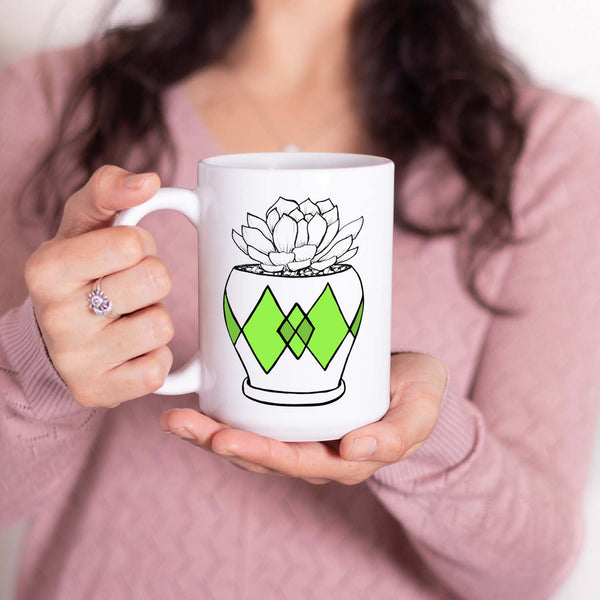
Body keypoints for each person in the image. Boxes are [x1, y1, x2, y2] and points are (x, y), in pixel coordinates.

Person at [1, 0, 599, 598]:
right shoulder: (45, 101)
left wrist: (421, 435)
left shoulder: (548, 152)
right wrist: (41, 369)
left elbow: (529, 571)